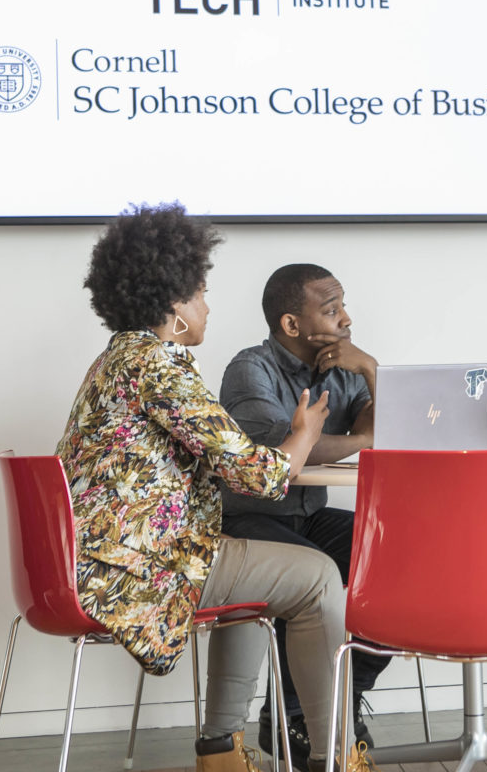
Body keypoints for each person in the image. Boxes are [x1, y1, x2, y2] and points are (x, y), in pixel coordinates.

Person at [56, 205, 361, 772]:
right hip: (138, 566)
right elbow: (261, 475)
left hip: (103, 557)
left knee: (267, 573)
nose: (207, 306)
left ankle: (221, 751)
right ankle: (334, 758)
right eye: (200, 293)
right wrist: (304, 433)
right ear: (173, 306)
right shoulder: (158, 367)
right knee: (317, 576)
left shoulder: (117, 360)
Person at [220, 264, 388, 770]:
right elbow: (280, 446)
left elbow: (388, 420)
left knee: (399, 561)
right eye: (332, 309)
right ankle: (296, 717)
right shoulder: (250, 369)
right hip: (250, 522)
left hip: (311, 515)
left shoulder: (343, 366)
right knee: (323, 578)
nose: (346, 319)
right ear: (292, 325)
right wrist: (358, 440)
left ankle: (339, 697)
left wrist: (373, 370)